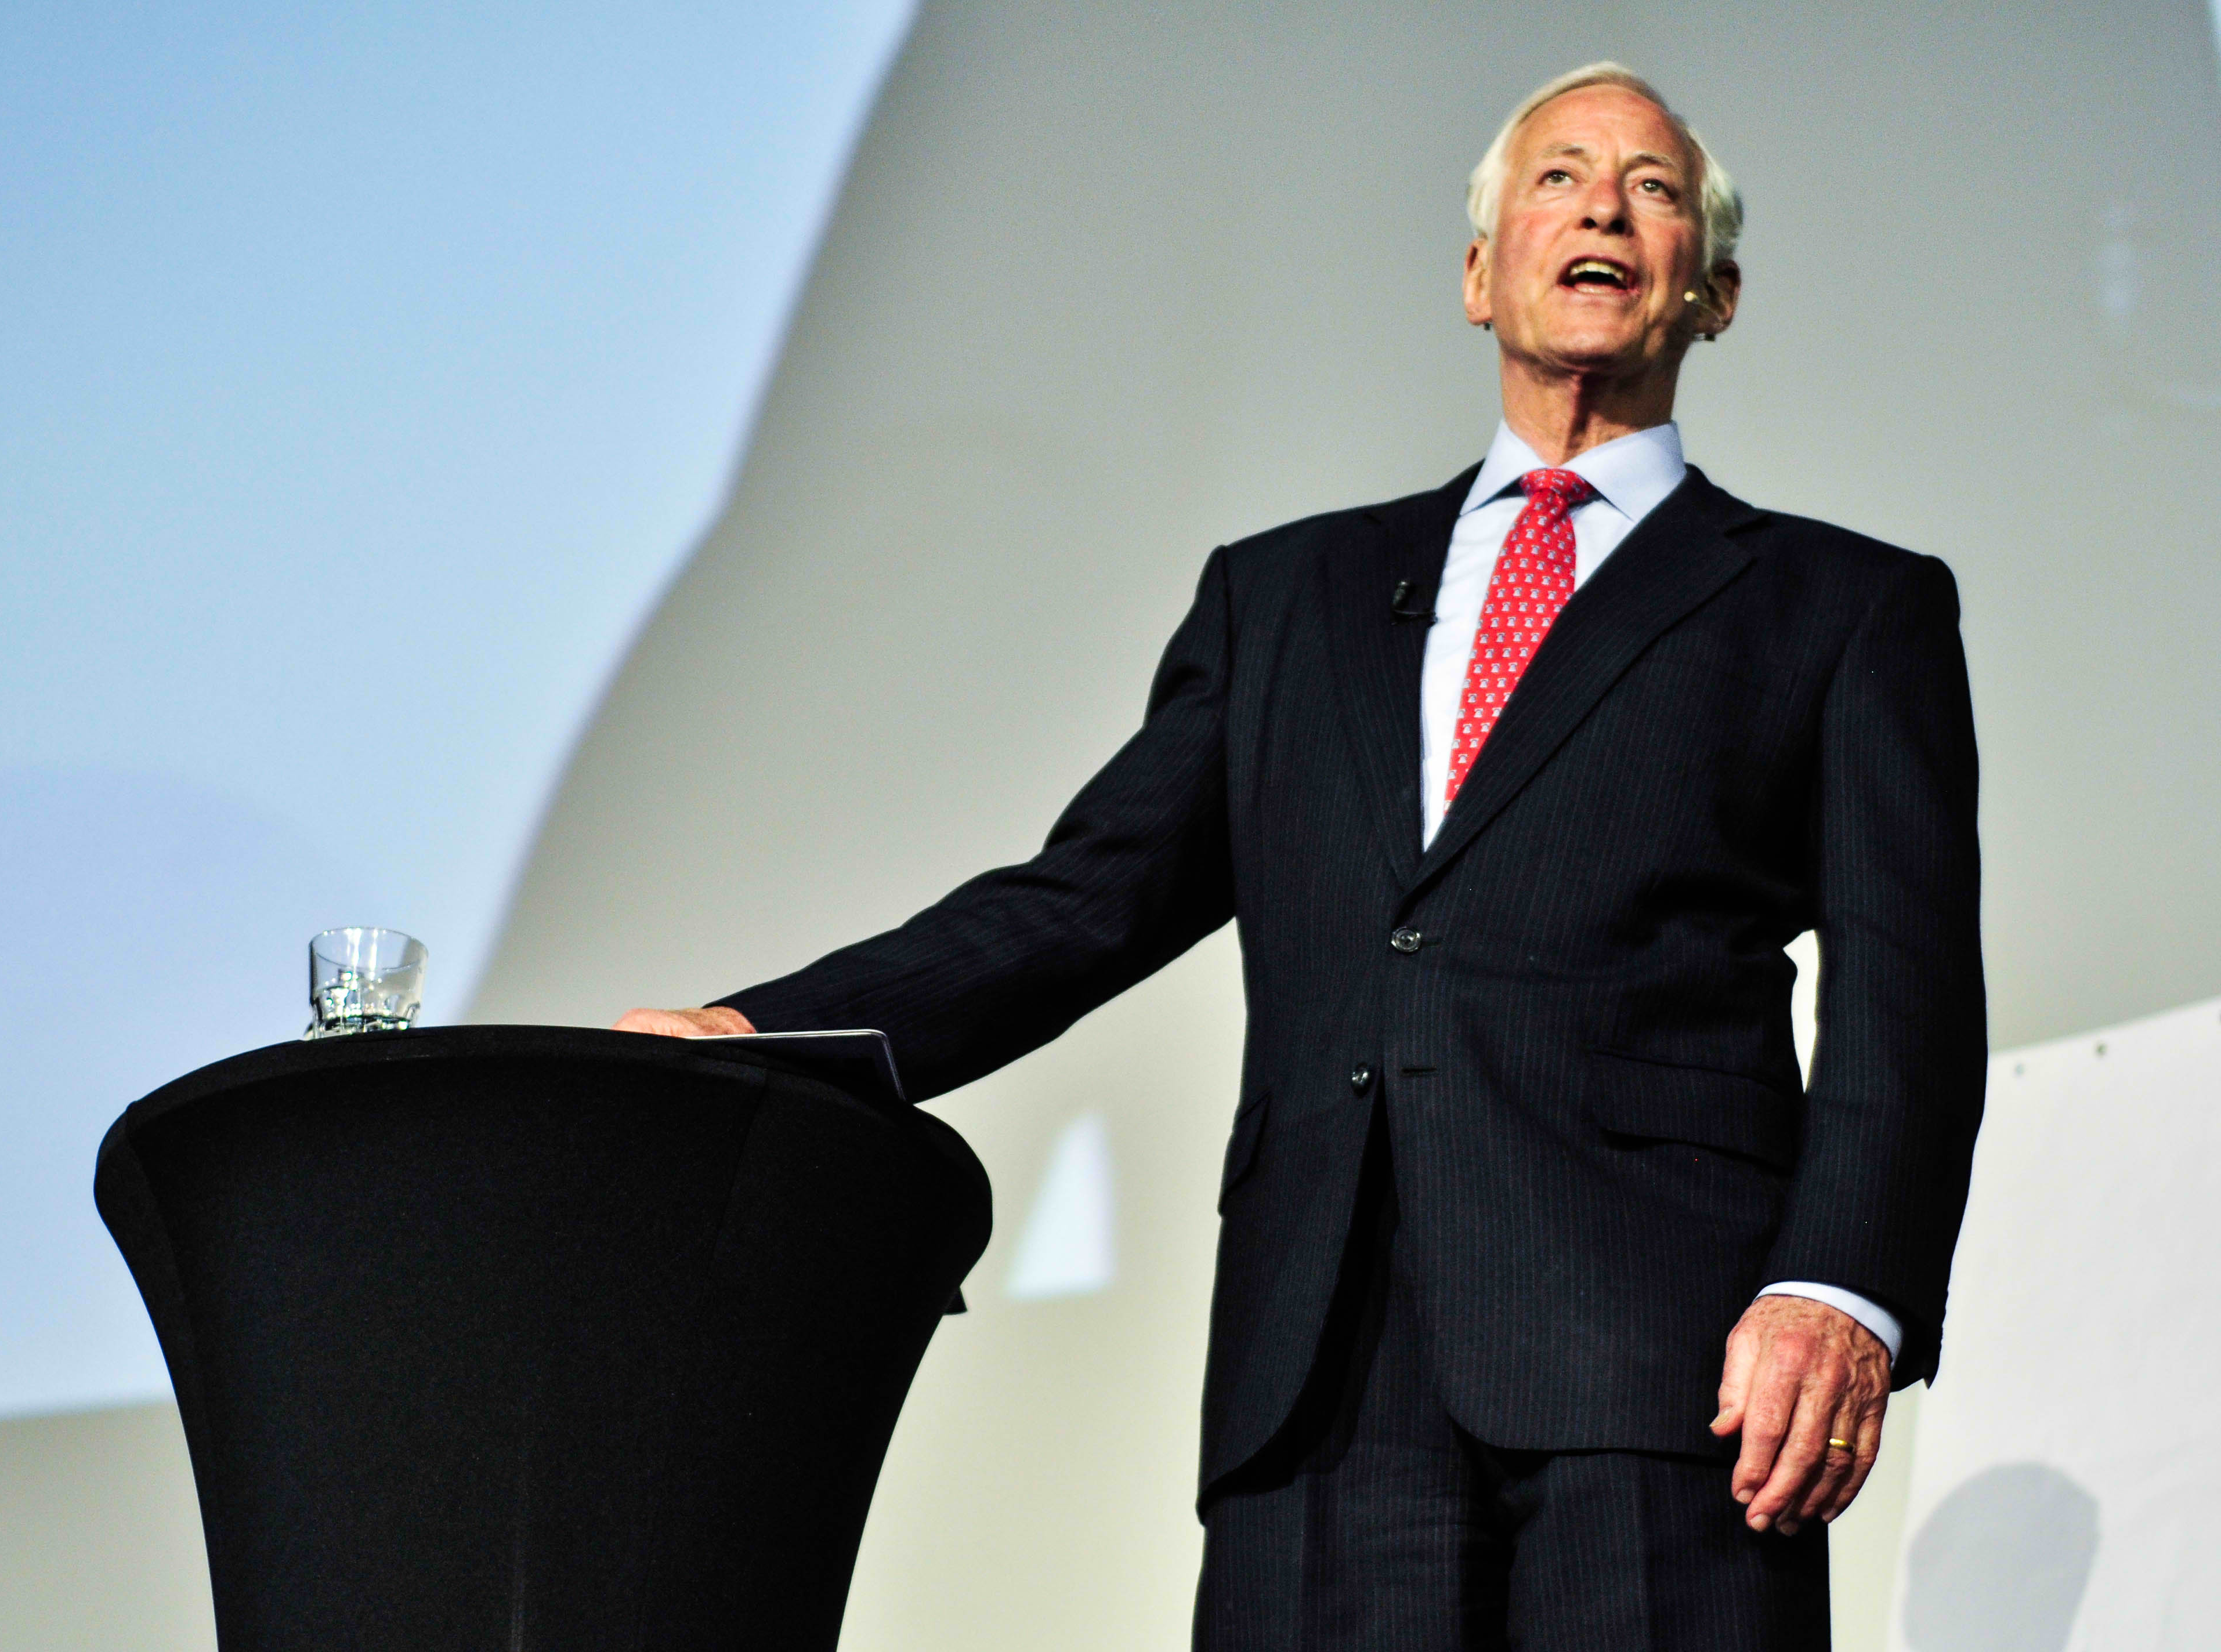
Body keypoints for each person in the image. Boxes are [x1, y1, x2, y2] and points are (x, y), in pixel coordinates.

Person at [617, 61, 1984, 1651]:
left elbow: (1907, 989)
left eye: (1653, 188)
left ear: (1715, 294)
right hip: (1319, 1378)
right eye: (1557, 178)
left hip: (1662, 1371)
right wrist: (765, 1035)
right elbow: (1087, 897)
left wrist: (1841, 1288)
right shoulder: (1288, 600)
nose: (1603, 209)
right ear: (1477, 275)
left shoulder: (1841, 606)